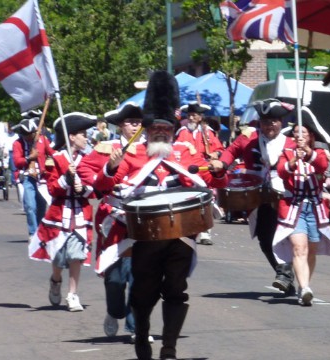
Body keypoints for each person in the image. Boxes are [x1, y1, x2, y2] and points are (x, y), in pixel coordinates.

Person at [94, 71, 228, 360]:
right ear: (147, 129)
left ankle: (169, 347)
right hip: (144, 236)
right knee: (144, 292)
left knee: (176, 289)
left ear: (173, 130)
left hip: (181, 234)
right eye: (155, 128)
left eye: (165, 128)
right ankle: (142, 334)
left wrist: (218, 169)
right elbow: (101, 187)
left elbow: (211, 179)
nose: (160, 132)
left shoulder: (185, 152)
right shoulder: (131, 153)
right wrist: (110, 168)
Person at [77, 102, 151, 342]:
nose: (135, 126)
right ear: (120, 125)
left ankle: (137, 327)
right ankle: (114, 311)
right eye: (131, 122)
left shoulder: (150, 149)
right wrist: (105, 176)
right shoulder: (106, 148)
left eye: (139, 122)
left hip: (143, 218)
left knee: (140, 276)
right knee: (115, 278)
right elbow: (85, 170)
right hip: (114, 217)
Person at [219, 99, 298, 295]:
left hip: (284, 194)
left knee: (283, 235)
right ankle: (284, 275)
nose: (268, 126)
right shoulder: (248, 138)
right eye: (264, 122)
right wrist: (221, 163)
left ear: (280, 122)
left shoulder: (291, 143)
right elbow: (231, 151)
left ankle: (285, 275)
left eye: (273, 122)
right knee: (265, 238)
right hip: (256, 194)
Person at [27, 113, 97, 313]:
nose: (87, 138)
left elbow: (95, 188)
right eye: (83, 134)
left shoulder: (88, 159)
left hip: (81, 214)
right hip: (59, 214)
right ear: (71, 136)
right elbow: (51, 189)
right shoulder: (55, 159)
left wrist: (83, 188)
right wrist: (66, 179)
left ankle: (72, 294)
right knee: (58, 257)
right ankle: (56, 280)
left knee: (77, 254)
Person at [272, 107, 330, 306]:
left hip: (315, 207)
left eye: (303, 133)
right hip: (294, 206)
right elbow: (281, 171)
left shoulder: (319, 153)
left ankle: (303, 286)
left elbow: (322, 166)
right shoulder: (286, 153)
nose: (299, 136)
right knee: (299, 247)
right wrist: (294, 160)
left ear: (310, 136)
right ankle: (306, 288)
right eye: (296, 133)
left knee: (311, 250)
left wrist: (307, 153)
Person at [175, 101, 224, 245]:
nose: (191, 118)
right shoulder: (182, 132)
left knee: (206, 201)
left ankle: (205, 233)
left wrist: (215, 154)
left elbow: (220, 149)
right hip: (186, 172)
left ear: (200, 117)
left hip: (203, 170)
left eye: (194, 115)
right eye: (189, 115)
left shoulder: (208, 133)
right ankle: (188, 230)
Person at [12, 111, 54, 237]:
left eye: (30, 134)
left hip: (42, 178)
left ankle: (39, 232)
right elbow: (17, 162)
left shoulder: (42, 140)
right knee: (30, 207)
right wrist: (29, 158)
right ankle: (33, 233)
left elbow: (52, 153)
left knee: (41, 207)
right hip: (27, 178)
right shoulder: (17, 144)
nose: (28, 137)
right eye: (25, 135)